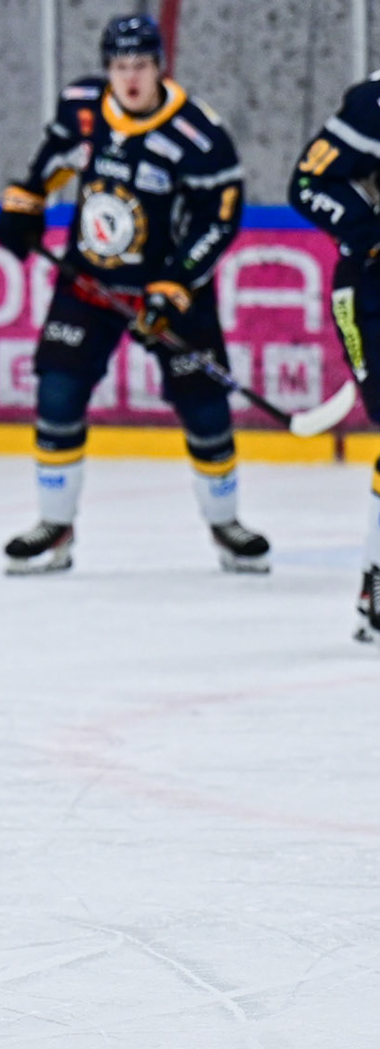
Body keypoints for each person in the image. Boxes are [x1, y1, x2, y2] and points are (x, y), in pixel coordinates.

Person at [0, 13, 265, 574]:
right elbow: (52, 161)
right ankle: (55, 527)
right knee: (58, 391)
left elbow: (219, 220)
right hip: (89, 282)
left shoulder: (198, 135)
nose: (131, 78)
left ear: (160, 66)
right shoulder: (83, 108)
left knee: (204, 406)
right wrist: (24, 204)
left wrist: (175, 283)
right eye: (120, 66)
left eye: (141, 65)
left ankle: (225, 525)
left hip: (170, 291)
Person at [290, 74, 380, 641]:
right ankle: (378, 587)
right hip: (371, 290)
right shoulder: (374, 103)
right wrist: (370, 233)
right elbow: (308, 182)